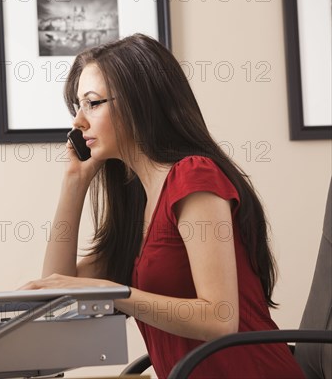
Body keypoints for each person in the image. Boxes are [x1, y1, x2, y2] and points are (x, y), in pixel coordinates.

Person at [20, 34, 305, 378]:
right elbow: (58, 286)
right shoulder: (138, 202)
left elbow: (220, 319)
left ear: (140, 103)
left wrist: (114, 292)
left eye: (92, 103)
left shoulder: (194, 177)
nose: (78, 123)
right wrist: (74, 182)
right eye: (77, 107)